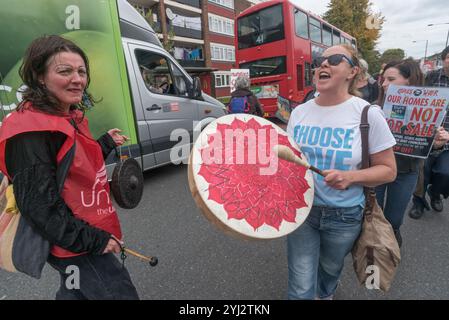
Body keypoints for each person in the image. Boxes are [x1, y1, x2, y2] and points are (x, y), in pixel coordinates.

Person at [0, 35, 139, 300]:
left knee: (75, 292)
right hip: (75, 242)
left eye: (81, 71)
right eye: (65, 71)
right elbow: (39, 206)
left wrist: (106, 143)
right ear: (40, 76)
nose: (77, 79)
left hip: (85, 227)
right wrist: (93, 240)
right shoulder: (30, 130)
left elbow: (74, 163)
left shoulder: (64, 114)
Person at [286, 44, 397, 300]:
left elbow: (389, 171)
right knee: (301, 285)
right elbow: (291, 163)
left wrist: (351, 177)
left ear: (353, 71)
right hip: (302, 210)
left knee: (329, 272)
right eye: (319, 61)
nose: (323, 65)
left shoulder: (368, 114)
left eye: (334, 59)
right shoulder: (299, 113)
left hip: (344, 215)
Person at [374, 59, 426, 247]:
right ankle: (375, 248)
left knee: (394, 218)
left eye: (390, 79)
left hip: (406, 171)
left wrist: (437, 142)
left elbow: (429, 146)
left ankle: (393, 236)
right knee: (374, 216)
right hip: (377, 170)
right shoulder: (374, 108)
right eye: (383, 79)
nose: (384, 84)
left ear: (409, 81)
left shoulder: (428, 110)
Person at [408, 46, 449, 219]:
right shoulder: (431, 77)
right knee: (421, 173)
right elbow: (417, 102)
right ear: (444, 58)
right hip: (426, 136)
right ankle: (418, 202)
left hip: (447, 139)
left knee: (444, 173)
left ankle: (435, 193)